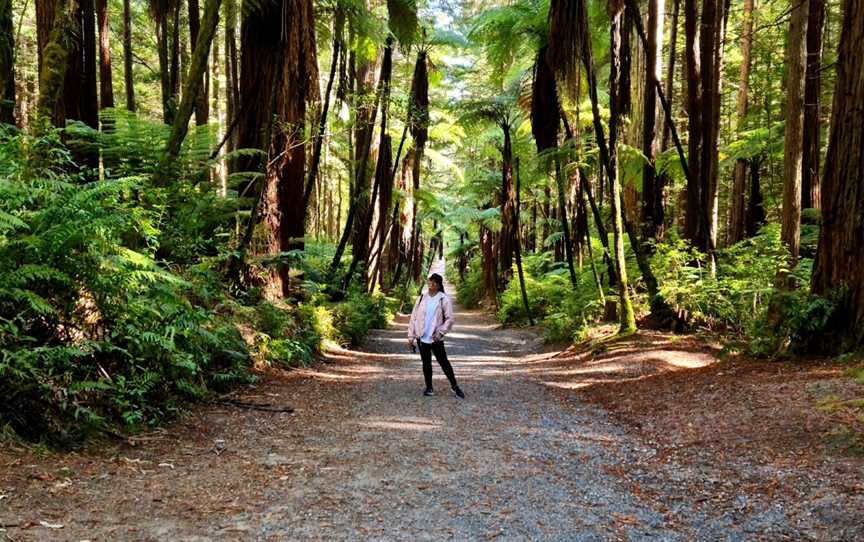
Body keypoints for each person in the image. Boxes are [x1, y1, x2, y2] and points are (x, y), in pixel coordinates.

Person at [407, 273, 465, 398]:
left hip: (435, 338)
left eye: (434, 282)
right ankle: (429, 387)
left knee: (444, 362)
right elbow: (413, 317)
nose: (431, 284)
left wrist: (440, 333)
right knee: (426, 363)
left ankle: (455, 386)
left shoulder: (443, 299)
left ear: (438, 285)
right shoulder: (422, 298)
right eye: (429, 281)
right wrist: (411, 336)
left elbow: (450, 319)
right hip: (421, 336)